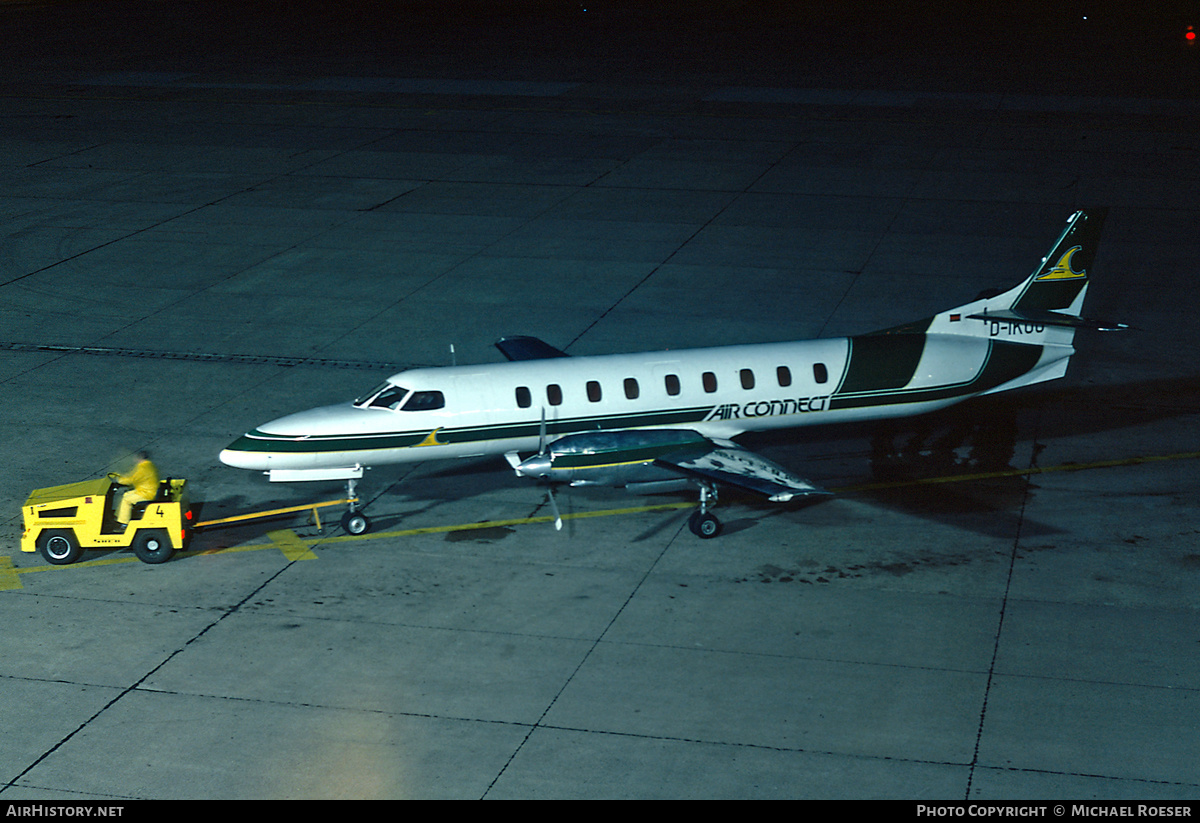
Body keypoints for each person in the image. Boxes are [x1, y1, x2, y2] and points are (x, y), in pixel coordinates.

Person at [110, 450, 160, 528]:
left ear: (139, 458)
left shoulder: (143, 468)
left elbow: (132, 479)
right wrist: (121, 476)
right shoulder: (149, 465)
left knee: (127, 500)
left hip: (147, 493)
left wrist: (119, 480)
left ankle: (124, 523)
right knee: (126, 494)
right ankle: (118, 517)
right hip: (147, 490)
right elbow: (133, 476)